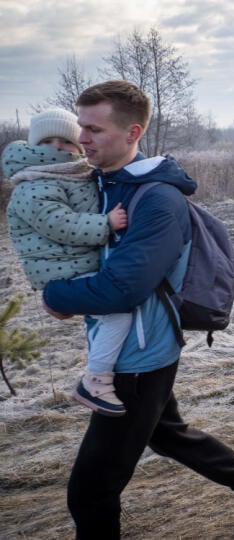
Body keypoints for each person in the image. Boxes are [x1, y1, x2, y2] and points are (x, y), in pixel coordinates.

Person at [41, 80, 234, 539]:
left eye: (94, 129)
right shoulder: (102, 185)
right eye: (81, 128)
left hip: (137, 359)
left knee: (90, 491)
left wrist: (56, 296)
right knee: (166, 431)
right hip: (127, 347)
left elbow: (124, 288)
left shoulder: (157, 200)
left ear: (133, 132)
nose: (83, 139)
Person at [4, 108, 131, 417]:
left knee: (106, 319)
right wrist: (106, 224)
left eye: (66, 141)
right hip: (64, 271)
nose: (58, 148)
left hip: (77, 267)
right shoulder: (34, 184)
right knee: (118, 313)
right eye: (48, 141)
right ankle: (96, 380)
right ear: (34, 146)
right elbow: (58, 224)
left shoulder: (71, 175)